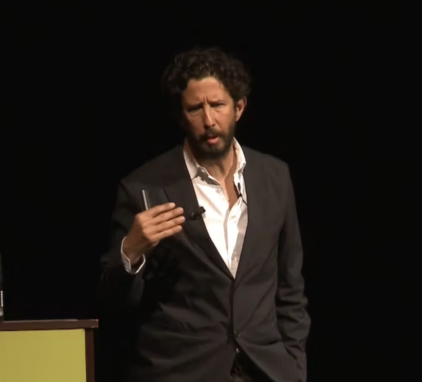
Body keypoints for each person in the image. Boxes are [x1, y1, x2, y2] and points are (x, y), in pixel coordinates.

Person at [99, 47, 310, 382]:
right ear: (181, 116)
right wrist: (130, 252)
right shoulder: (144, 187)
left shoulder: (275, 177)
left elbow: (290, 287)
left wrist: (294, 367)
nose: (209, 120)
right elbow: (116, 303)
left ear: (239, 107)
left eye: (218, 105)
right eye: (196, 109)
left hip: (266, 370)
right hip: (182, 371)